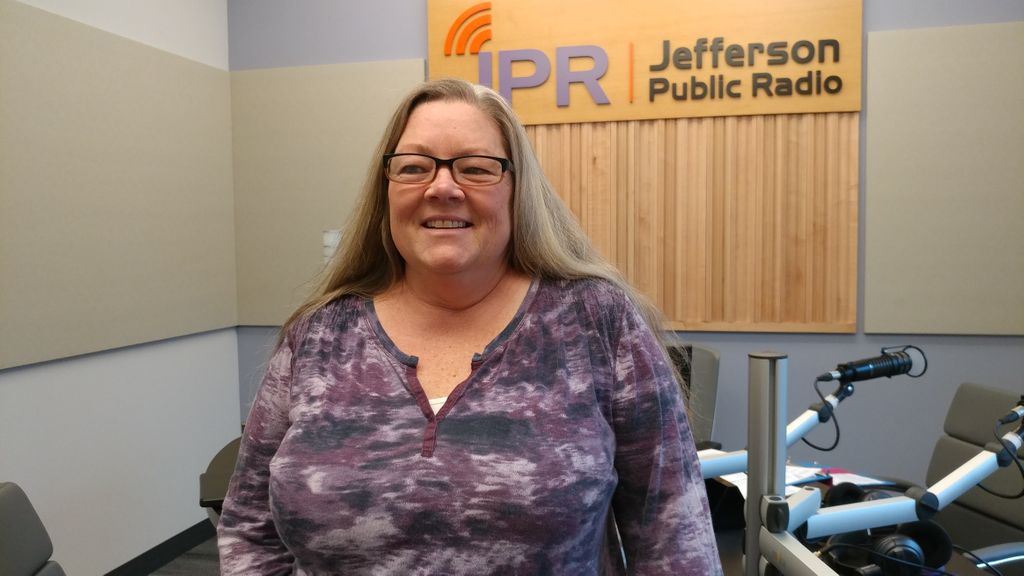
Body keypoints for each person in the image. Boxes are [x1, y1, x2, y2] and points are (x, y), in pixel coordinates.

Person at [218, 78, 722, 575]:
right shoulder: (320, 335)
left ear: (517, 190)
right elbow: (248, 527)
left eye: (476, 168)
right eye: (414, 167)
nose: (442, 188)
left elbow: (674, 534)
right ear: (386, 190)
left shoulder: (596, 321)